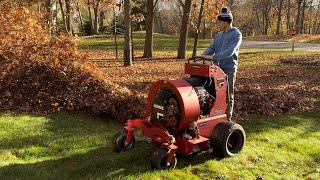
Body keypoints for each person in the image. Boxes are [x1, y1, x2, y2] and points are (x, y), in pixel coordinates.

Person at [202, 7, 242, 121]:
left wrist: (214, 57)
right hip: (216, 70)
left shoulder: (237, 35)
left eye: (220, 21)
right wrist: (203, 56)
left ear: (226, 21)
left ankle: (227, 121)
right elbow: (212, 47)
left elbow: (230, 51)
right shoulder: (219, 35)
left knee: (227, 96)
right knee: (212, 94)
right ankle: (214, 118)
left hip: (228, 70)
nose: (218, 24)